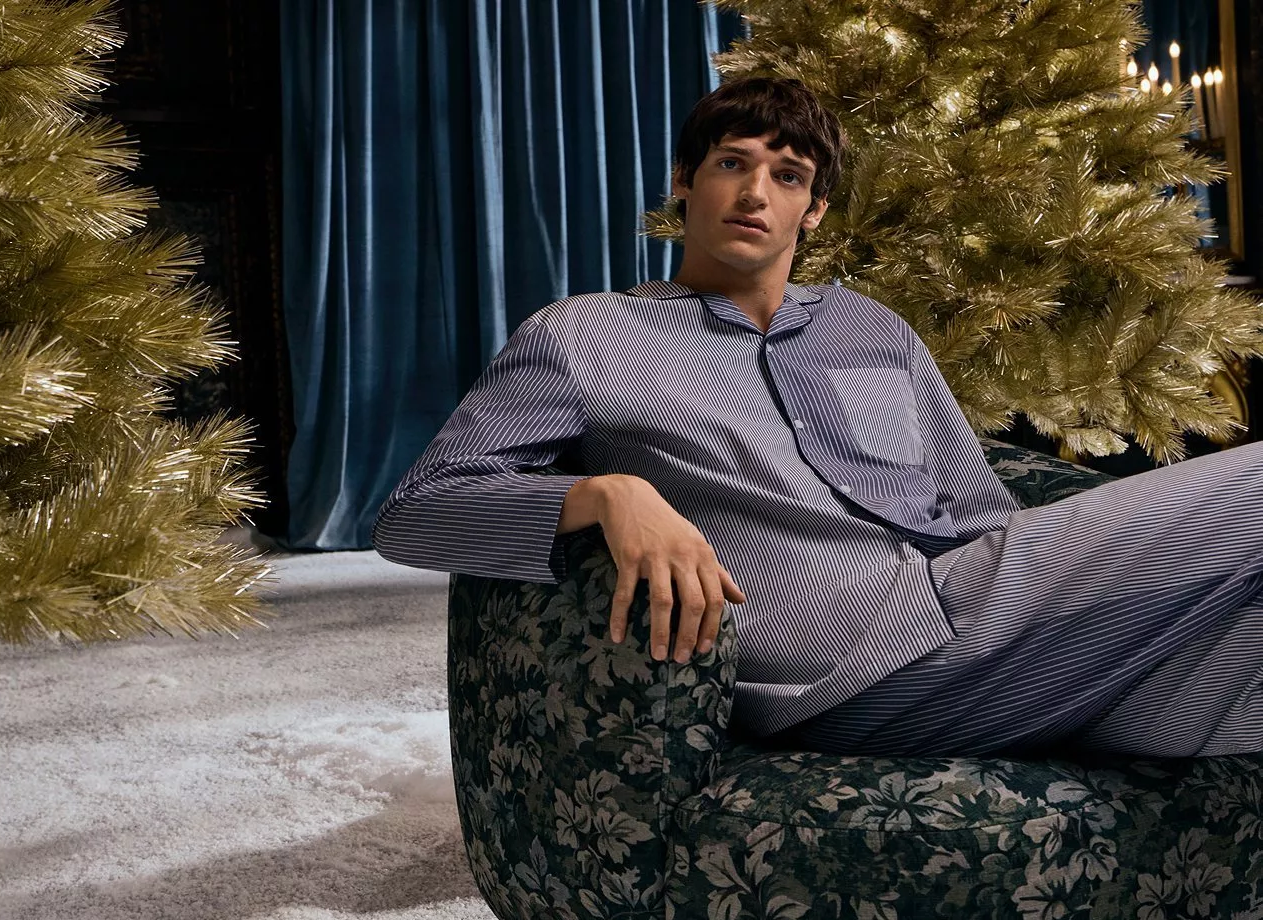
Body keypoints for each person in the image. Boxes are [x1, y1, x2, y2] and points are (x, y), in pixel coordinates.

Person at [373, 77, 1261, 758]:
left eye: (787, 175)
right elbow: (415, 513)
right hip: (850, 673)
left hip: (985, 638)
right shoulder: (585, 336)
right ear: (685, 182)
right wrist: (608, 493)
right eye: (732, 164)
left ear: (815, 208)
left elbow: (979, 513)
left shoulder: (871, 329)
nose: (755, 192)